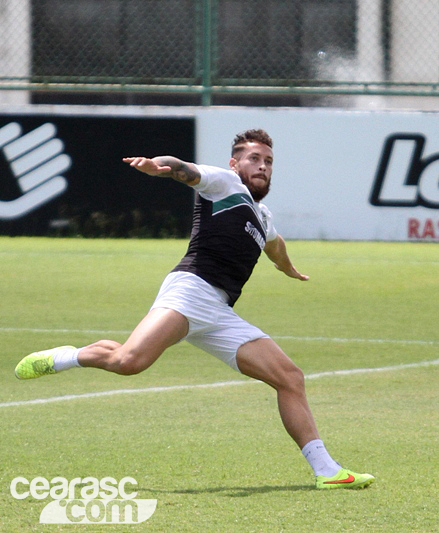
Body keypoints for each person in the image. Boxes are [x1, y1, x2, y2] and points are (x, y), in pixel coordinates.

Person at [14, 129, 375, 490]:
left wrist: (288, 268)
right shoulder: (223, 182)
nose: (262, 166)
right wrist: (160, 167)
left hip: (219, 311)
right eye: (254, 158)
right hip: (190, 291)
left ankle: (327, 471)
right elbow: (182, 168)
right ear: (235, 163)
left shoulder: (262, 216)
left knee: (290, 378)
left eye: (268, 162)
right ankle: (68, 356)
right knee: (128, 363)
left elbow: (275, 246)